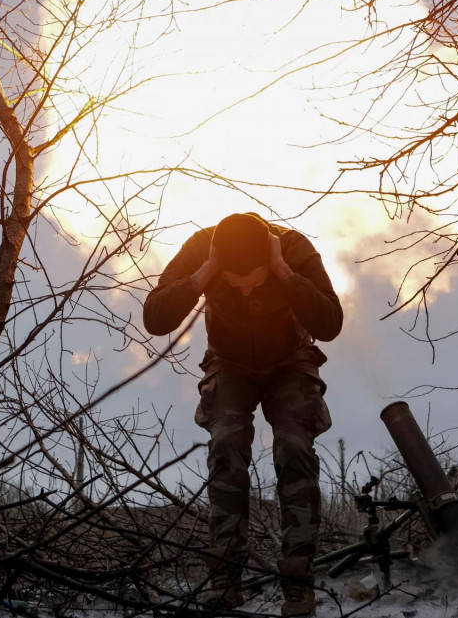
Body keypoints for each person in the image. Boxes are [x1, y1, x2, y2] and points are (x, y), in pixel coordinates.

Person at [144, 212, 343, 616]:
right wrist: (203, 275)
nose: (248, 289)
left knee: (294, 450)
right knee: (226, 448)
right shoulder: (203, 250)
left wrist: (285, 274)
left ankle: (298, 586)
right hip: (230, 364)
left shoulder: (293, 249)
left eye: (257, 279)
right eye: (237, 282)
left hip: (290, 361)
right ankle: (225, 583)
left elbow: (330, 323)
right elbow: (155, 318)